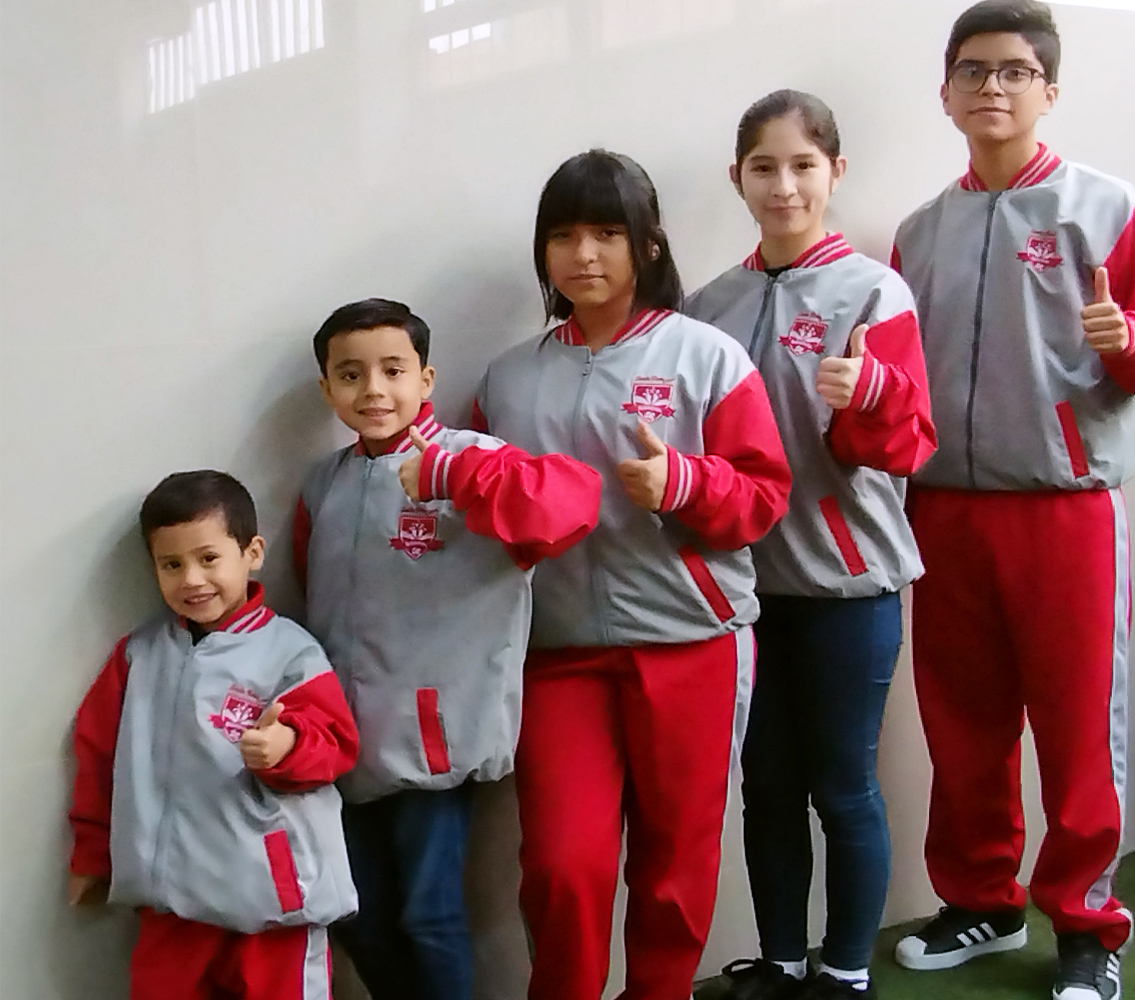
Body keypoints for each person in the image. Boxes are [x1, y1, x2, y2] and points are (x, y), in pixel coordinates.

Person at [889, 4, 1135, 999]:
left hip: (1065, 511)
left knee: (1075, 728)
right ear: (945, 92)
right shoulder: (920, 232)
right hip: (944, 514)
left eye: (1015, 71)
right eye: (972, 71)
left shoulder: (1105, 209)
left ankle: (1086, 925)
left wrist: (1126, 341)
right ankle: (981, 900)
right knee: (962, 723)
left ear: (1048, 92)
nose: (992, 88)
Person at [474, 149, 792, 1000]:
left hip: (691, 645)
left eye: (607, 233)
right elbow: (486, 514)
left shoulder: (708, 357)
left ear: (647, 245)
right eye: (565, 235)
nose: (585, 255)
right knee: (562, 866)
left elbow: (764, 496)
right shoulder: (508, 380)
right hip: (558, 656)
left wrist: (683, 483)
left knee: (674, 863)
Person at [686, 90, 936, 1000]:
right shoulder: (712, 304)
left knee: (844, 787)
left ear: (834, 171)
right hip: (746, 598)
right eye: (764, 167)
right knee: (767, 789)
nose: (784, 185)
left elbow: (913, 447)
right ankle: (783, 962)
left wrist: (869, 394)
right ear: (738, 180)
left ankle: (846, 973)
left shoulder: (875, 290)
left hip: (847, 587)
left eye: (802, 165)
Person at [294, 298, 601, 1000]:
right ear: (327, 389)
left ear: (426, 380)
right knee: (357, 916)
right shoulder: (325, 483)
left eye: (393, 370)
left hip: (435, 739)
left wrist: (449, 478)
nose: (374, 390)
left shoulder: (474, 459)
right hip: (343, 742)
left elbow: (571, 504)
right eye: (351, 374)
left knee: (428, 916)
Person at [68, 470, 359, 1000]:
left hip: (271, 912)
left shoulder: (290, 652)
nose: (192, 580)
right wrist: (92, 854)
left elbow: (337, 743)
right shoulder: (139, 655)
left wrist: (286, 748)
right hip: (172, 906)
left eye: (208, 559)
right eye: (171, 564)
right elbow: (98, 755)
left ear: (252, 552)